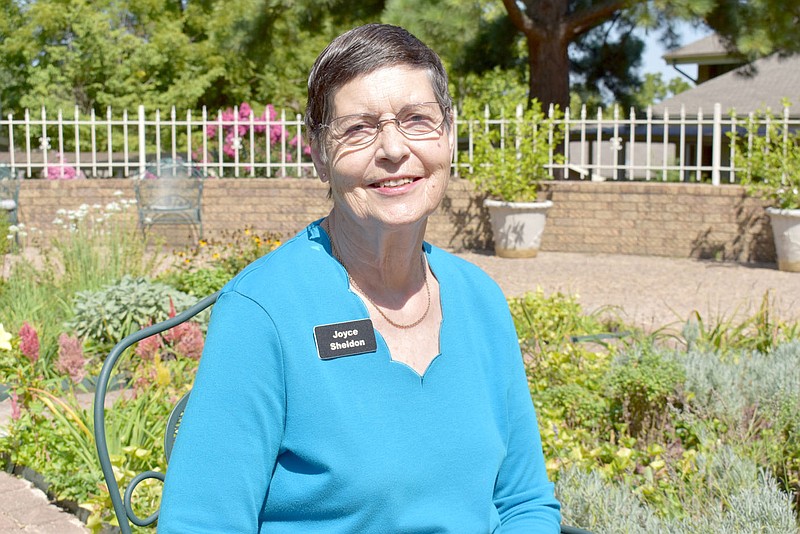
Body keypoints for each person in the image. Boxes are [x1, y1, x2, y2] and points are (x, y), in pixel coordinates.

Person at [159, 23, 561, 532]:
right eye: (358, 128)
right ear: (319, 155)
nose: (393, 149)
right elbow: (201, 523)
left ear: (450, 135)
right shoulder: (265, 312)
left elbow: (524, 503)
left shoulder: (480, 299)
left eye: (418, 120)